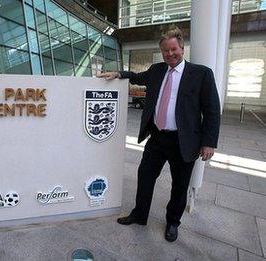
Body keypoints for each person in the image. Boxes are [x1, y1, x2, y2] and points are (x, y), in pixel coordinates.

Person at [98, 27, 220, 242]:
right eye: (165, 51)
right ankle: (139, 214)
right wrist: (119, 74)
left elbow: (211, 110)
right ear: (161, 52)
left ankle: (173, 222)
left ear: (182, 47)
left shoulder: (201, 74)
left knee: (179, 185)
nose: (170, 54)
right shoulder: (157, 70)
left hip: (184, 141)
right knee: (145, 176)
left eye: (174, 49)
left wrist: (209, 142)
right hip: (157, 138)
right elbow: (137, 76)